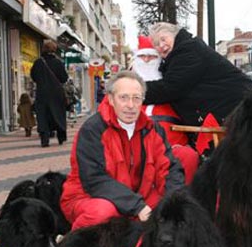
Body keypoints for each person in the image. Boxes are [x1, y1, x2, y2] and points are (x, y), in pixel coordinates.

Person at [60, 70, 185, 230]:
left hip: (137, 195)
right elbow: (94, 179)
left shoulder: (152, 129)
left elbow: (168, 168)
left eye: (136, 98)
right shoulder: (92, 130)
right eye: (123, 98)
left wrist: (173, 204)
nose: (131, 106)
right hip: (90, 196)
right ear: (111, 99)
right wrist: (136, 206)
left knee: (172, 204)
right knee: (103, 213)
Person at [145, 22, 252, 129]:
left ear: (174, 35)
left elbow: (170, 88)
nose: (161, 45)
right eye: (156, 44)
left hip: (238, 113)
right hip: (233, 112)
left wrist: (134, 90)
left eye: (163, 39)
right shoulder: (181, 54)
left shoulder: (188, 51)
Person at [131, 35, 199, 184]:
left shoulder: (172, 87)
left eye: (152, 56)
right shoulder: (122, 88)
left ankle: (182, 202)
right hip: (133, 146)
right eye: (142, 56)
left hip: (171, 147)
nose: (147, 60)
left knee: (188, 156)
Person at [30, 40, 68, 147]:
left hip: (42, 93)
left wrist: (42, 82)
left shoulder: (38, 62)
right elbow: (64, 78)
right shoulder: (58, 62)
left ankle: (44, 139)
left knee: (43, 115)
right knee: (58, 114)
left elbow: (33, 77)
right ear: (54, 49)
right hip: (56, 94)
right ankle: (61, 136)